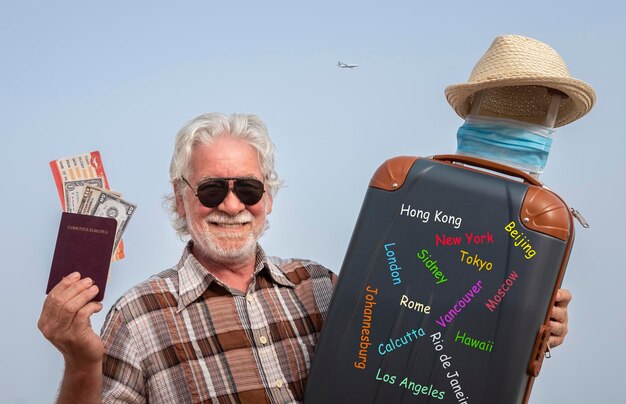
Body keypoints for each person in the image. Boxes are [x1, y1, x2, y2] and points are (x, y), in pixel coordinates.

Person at [38, 112, 572, 403]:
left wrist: (528, 325)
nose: (231, 205)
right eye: (209, 191)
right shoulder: (137, 315)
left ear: (268, 199)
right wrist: (81, 364)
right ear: (181, 200)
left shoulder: (322, 286)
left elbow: (429, 352)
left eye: (247, 189)